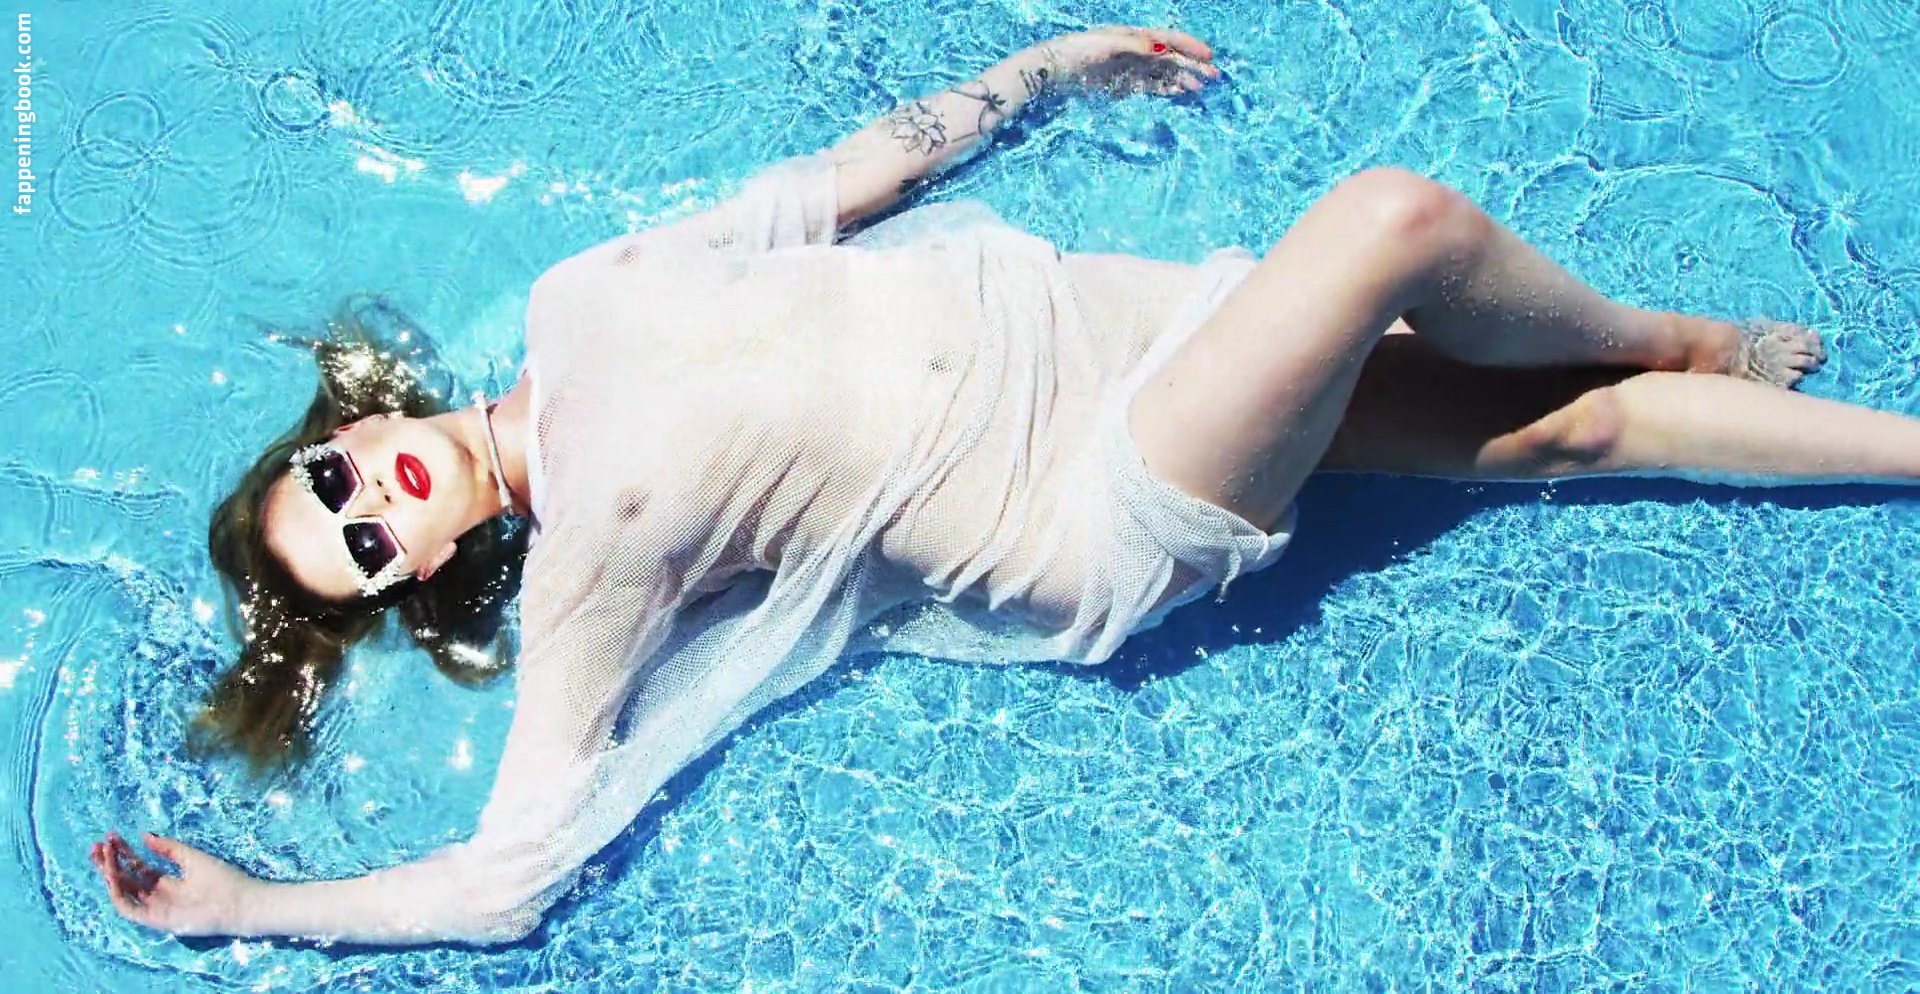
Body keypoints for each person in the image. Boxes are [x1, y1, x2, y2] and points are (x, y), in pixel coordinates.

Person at [87, 24, 1912, 947]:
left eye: (331, 480)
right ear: (418, 570)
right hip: (1091, 490)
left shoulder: (580, 297)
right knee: (1388, 227)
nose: (369, 498)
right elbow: (505, 878)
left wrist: (1042, 71)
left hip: (1099, 326)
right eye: (362, 546)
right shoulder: (589, 566)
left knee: (1564, 436)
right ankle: (1673, 329)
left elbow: (833, 187)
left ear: (344, 423)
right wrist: (257, 904)